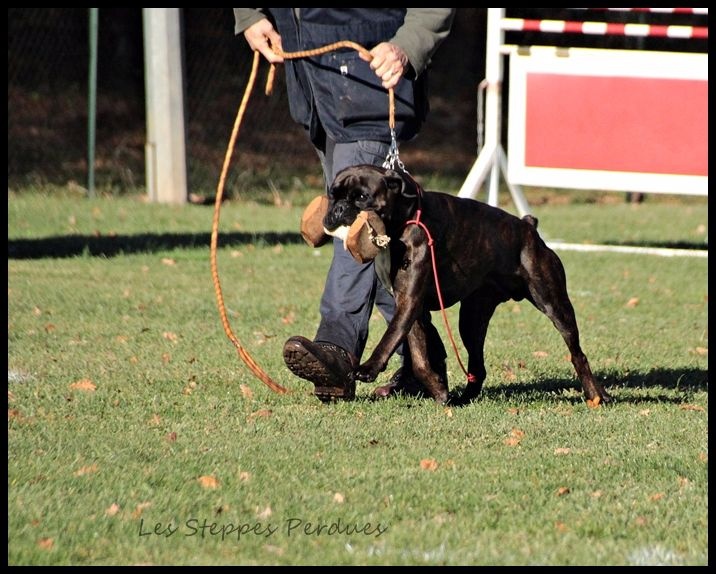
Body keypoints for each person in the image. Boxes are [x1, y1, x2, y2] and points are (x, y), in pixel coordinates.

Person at [234, 8, 456, 401]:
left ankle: (337, 350)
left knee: (357, 230)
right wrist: (250, 16)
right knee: (365, 234)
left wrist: (409, 43)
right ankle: (423, 360)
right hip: (313, 85)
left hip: (370, 80)